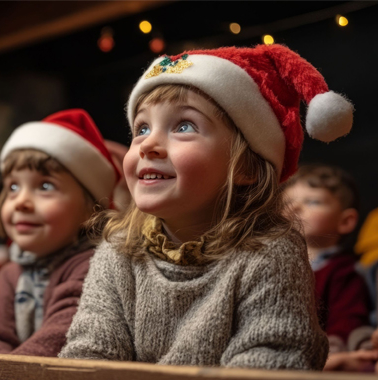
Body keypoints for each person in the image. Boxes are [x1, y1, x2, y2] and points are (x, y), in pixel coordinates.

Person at [59, 44, 354, 370]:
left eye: (184, 126)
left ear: (247, 169)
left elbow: (271, 360)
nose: (149, 145)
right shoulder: (117, 252)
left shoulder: (270, 253)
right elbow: (88, 359)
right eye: (141, 128)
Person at [0, 109, 119, 356]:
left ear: (91, 209)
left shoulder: (92, 266)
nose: (21, 201)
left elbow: (57, 339)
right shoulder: (12, 272)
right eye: (13, 186)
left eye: (45, 186)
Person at [283, 164, 372, 354]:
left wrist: (335, 345)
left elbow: (348, 317)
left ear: (345, 221)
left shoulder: (343, 270)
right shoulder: (269, 264)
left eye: (313, 202)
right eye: (287, 203)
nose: (296, 208)